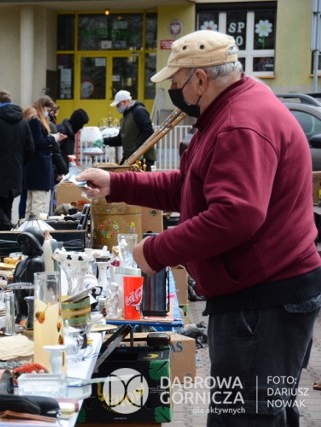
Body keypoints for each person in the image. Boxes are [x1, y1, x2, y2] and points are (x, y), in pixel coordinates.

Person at [78, 30, 321, 426]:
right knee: (265, 411)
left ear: (201, 80)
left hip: (264, 302)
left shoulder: (239, 124)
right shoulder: (231, 110)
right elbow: (188, 186)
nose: (175, 92)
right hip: (262, 296)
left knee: (246, 416)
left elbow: (235, 216)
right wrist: (117, 182)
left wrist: (153, 253)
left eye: (177, 83)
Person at [0, 90, 34, 231]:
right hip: (15, 169)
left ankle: (6, 226)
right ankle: (6, 239)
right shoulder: (22, 121)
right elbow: (30, 148)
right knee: (7, 205)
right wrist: (20, 162)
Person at [22, 96, 66, 219]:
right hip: (39, 167)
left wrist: (52, 137)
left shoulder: (30, 118)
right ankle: (36, 230)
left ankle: (28, 228)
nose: (49, 112)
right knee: (38, 202)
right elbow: (39, 143)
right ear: (42, 107)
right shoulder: (35, 120)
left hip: (33, 166)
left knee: (31, 203)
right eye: (48, 109)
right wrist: (54, 138)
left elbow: (36, 140)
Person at [102, 90, 155, 170]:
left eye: (118, 105)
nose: (117, 108)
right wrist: (104, 141)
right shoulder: (124, 118)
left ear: (124, 102)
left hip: (144, 159)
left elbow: (148, 132)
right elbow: (120, 139)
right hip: (133, 158)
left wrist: (137, 148)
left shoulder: (139, 111)